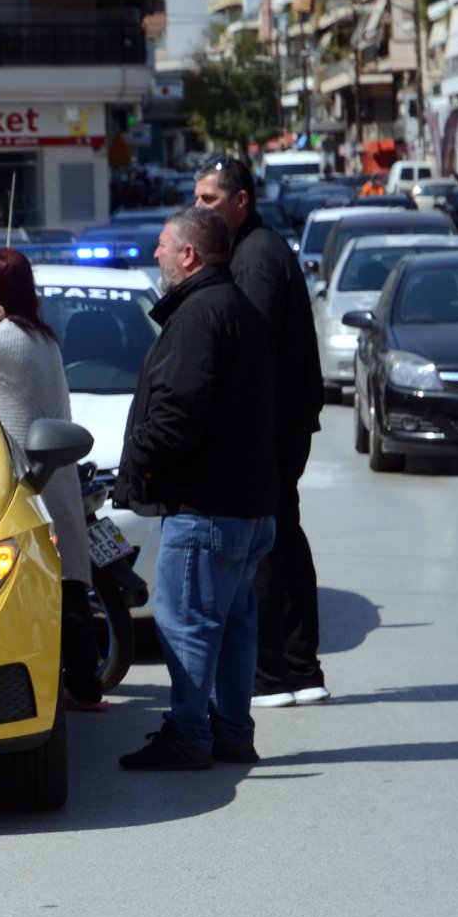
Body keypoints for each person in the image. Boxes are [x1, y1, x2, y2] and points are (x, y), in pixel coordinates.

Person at [115, 206, 277, 770]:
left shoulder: (199, 314)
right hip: (246, 506)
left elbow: (176, 417)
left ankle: (189, 734)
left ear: (189, 254)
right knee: (230, 628)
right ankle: (231, 732)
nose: (155, 254)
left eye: (162, 245)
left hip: (207, 508)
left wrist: (136, 461)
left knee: (185, 624)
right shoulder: (237, 308)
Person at [193, 156, 329, 708]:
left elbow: (251, 351)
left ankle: (274, 674)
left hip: (272, 427)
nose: (198, 207)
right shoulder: (256, 251)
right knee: (283, 537)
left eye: (209, 199)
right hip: (283, 422)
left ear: (240, 201)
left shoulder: (255, 259)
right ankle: (300, 669)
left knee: (264, 546)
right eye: (197, 198)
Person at [0, 248, 105, 708]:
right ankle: (85, 685)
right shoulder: (41, 336)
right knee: (68, 589)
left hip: (30, 482)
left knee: (52, 590)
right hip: (56, 476)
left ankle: (67, 687)